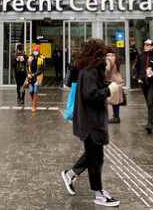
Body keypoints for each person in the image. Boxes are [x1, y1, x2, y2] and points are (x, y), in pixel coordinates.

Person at [61, 39, 121, 207]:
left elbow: (92, 89)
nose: (105, 57)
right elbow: (90, 94)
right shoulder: (90, 71)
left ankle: (71, 174)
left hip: (92, 120)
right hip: (90, 121)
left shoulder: (92, 69)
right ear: (96, 53)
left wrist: (108, 83)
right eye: (103, 53)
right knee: (95, 158)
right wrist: (110, 89)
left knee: (96, 156)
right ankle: (98, 193)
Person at [135, 39, 153, 134]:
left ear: (151, 46)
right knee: (148, 103)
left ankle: (149, 124)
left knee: (150, 102)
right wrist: (138, 77)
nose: (146, 46)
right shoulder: (141, 56)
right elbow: (137, 68)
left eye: (148, 45)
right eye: (145, 44)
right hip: (143, 82)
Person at [106, 49, 124, 124]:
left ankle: (116, 118)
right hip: (118, 80)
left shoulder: (108, 58)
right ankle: (116, 116)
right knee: (116, 100)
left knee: (113, 100)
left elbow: (107, 69)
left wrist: (104, 77)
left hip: (112, 81)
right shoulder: (116, 58)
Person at [27, 45, 45, 112]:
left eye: (37, 50)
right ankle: (34, 102)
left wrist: (35, 74)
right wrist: (29, 73)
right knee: (31, 91)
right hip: (31, 76)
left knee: (35, 91)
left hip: (38, 76)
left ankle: (34, 106)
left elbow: (43, 68)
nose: (35, 52)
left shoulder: (42, 57)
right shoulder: (30, 57)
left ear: (39, 51)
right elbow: (27, 66)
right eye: (34, 50)